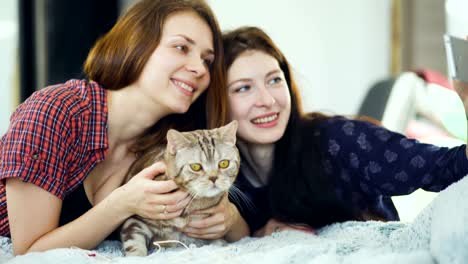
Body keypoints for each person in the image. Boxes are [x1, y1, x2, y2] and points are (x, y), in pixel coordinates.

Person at [0, 0, 228, 255]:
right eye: (181, 47)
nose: (199, 69)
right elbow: (28, 253)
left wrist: (228, 216)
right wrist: (121, 204)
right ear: (136, 44)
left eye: (207, 61)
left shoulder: (173, 146)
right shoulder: (54, 111)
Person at [209, 26, 468, 237]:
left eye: (274, 80)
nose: (267, 100)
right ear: (219, 101)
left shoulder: (339, 141)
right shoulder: (217, 175)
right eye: (243, 88)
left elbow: (446, 168)